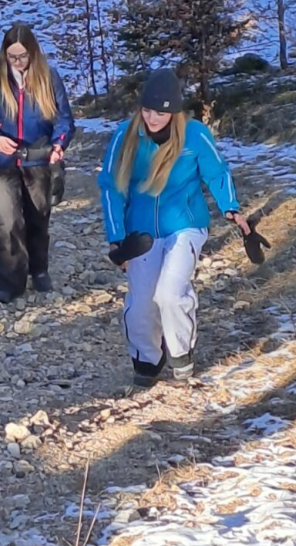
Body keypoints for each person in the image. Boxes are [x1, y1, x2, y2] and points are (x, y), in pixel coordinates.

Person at [98, 68, 249, 394]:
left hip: (185, 226)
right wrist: (116, 238)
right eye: (147, 110)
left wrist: (231, 208)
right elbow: (111, 187)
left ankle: (181, 354)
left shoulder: (194, 135)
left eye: (161, 112)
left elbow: (217, 172)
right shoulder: (125, 136)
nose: (152, 118)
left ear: (175, 112)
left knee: (169, 293)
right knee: (141, 303)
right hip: (140, 235)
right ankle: (147, 360)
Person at [0, 24, 75, 303]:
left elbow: (64, 119)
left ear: (33, 53)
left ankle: (38, 269)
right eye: (12, 56)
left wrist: (59, 144)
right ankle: (8, 282)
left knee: (38, 218)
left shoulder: (49, 78)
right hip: (3, 162)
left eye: (22, 56)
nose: (17, 62)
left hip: (38, 159)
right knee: (8, 221)